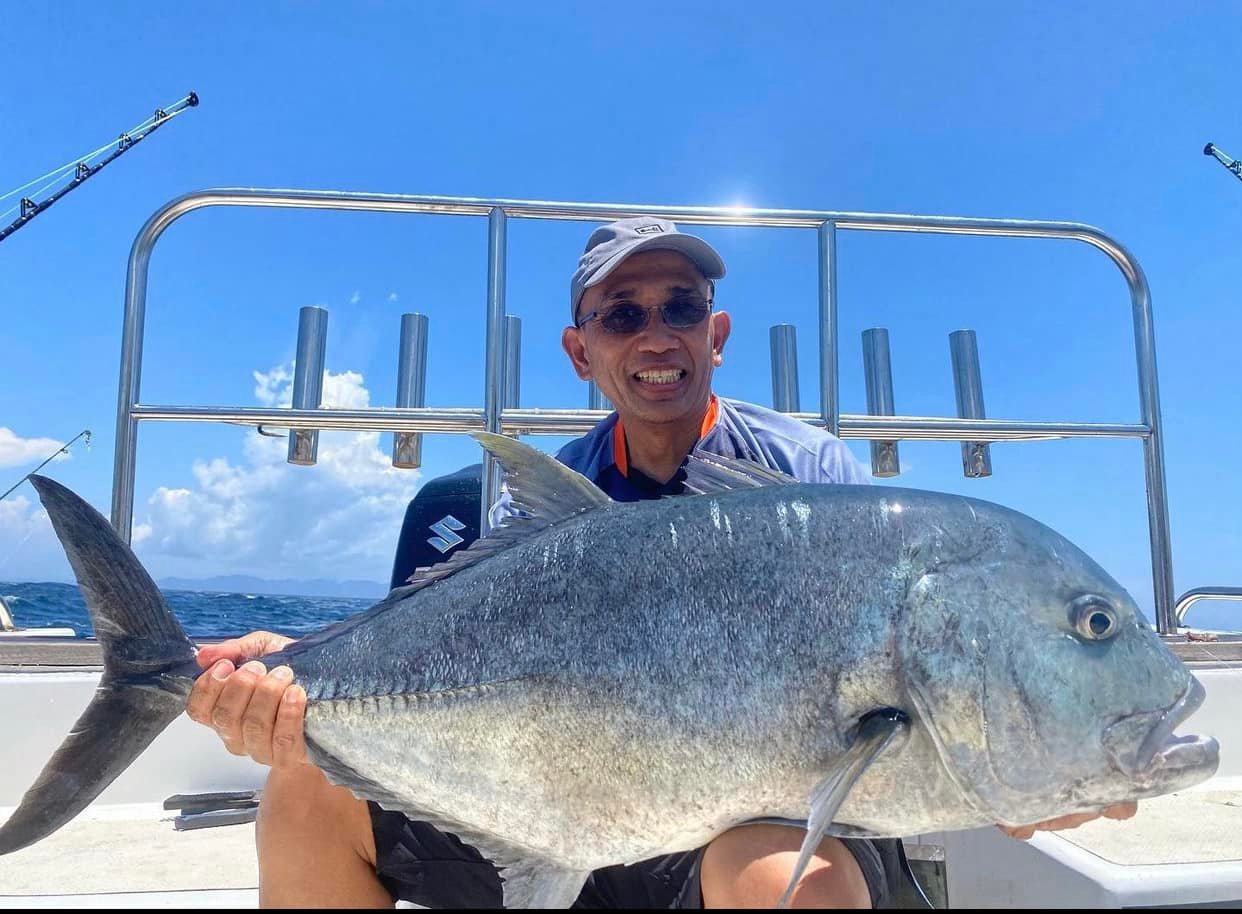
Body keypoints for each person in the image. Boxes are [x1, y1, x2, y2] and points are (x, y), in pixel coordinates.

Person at [187, 217, 1136, 908]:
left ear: (715, 336)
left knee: (782, 883)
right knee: (306, 792)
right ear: (580, 350)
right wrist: (306, 673)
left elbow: (914, 723)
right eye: (620, 314)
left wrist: (1029, 772)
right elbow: (450, 665)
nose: (655, 334)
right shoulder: (548, 498)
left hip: (748, 818)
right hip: (567, 802)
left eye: (681, 306)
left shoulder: (812, 478)